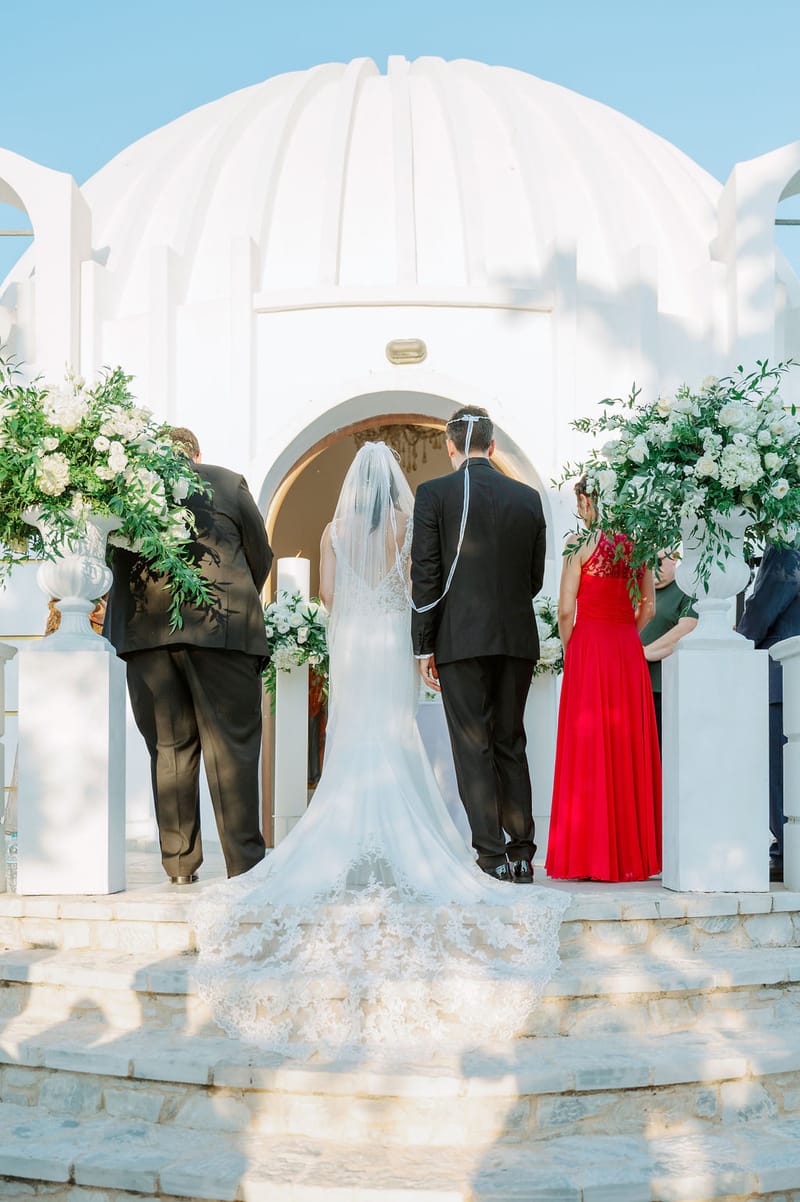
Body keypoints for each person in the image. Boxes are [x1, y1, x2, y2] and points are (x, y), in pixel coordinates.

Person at [193, 442, 569, 1054]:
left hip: (354, 642)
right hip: (394, 639)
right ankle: (439, 838)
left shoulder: (333, 528)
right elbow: (422, 582)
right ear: (393, 481)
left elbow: (332, 598)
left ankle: (346, 837)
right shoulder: (408, 521)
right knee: (395, 733)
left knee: (351, 737)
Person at [104, 427, 272, 885]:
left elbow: (109, 560)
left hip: (146, 635)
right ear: (196, 453)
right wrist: (238, 601)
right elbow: (260, 554)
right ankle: (245, 865)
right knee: (232, 746)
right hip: (221, 628)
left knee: (168, 749)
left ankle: (179, 866)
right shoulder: (226, 480)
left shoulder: (123, 491)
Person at [410, 406, 546, 883]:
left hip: (459, 639)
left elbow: (425, 575)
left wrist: (422, 646)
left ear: (451, 447)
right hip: (515, 637)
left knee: (472, 745)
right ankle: (524, 853)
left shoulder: (434, 494)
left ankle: (491, 856)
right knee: (510, 740)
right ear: (492, 447)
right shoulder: (528, 497)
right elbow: (535, 577)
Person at [546, 476, 661, 882]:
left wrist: (569, 645)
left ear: (588, 502)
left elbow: (564, 609)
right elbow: (647, 608)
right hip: (625, 648)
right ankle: (632, 857)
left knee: (589, 744)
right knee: (626, 744)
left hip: (589, 647)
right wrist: (624, 631)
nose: (579, 510)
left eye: (580, 502)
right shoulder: (639, 545)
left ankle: (586, 857)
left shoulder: (579, 545)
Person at [738, 543, 800, 883]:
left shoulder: (787, 544)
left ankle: (787, 853)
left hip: (781, 672)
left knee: (780, 772)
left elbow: (766, 603)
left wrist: (739, 641)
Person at [640, 551, 698, 744]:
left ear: (674, 558)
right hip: (633, 686)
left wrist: (643, 652)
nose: (653, 567)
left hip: (661, 689)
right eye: (648, 562)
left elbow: (686, 628)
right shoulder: (640, 591)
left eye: (658, 561)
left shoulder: (687, 590)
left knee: (660, 750)